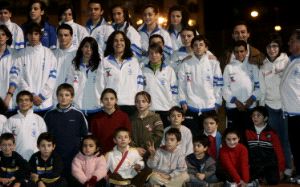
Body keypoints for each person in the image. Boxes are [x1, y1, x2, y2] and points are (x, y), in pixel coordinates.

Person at [259, 33, 292, 177]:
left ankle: (289, 167)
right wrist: (262, 108)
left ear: (279, 47)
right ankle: (278, 167)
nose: (272, 49)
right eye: (269, 46)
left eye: (275, 46)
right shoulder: (263, 66)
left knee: (286, 139)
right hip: (270, 107)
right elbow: (262, 89)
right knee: (274, 139)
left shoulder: (288, 61)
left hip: (286, 107)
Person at [8, 22, 58, 116]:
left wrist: (42, 96)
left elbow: (53, 77)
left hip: (45, 103)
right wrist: (31, 95)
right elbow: (17, 77)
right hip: (26, 103)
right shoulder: (21, 54)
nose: (33, 37)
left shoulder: (48, 53)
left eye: (36, 34)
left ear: (40, 35)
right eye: (30, 34)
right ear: (26, 36)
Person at [178, 35, 223, 137]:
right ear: (192, 47)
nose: (198, 47)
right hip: (191, 105)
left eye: (201, 45)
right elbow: (181, 84)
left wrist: (217, 103)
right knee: (192, 136)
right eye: (195, 45)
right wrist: (183, 101)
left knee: (210, 137)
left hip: (209, 105)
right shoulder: (186, 63)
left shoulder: (213, 62)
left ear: (206, 48)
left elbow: (219, 84)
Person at [44, 83, 88, 181]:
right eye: (61, 95)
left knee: (73, 181)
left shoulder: (78, 115)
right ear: (57, 96)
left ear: (72, 97)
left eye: (67, 95)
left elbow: (85, 136)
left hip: (74, 155)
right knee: (57, 181)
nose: (63, 98)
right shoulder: (49, 115)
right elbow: (45, 137)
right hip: (55, 155)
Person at [103, 31, 143, 116]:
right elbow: (101, 85)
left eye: (121, 40)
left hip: (130, 104)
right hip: (112, 106)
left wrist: (138, 102)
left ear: (126, 43)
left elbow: (139, 84)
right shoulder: (105, 62)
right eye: (116, 40)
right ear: (111, 43)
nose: (119, 43)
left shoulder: (133, 61)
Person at [223, 40, 260, 134]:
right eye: (236, 52)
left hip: (250, 106)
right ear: (233, 52)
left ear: (246, 51)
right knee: (234, 135)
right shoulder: (229, 67)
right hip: (233, 107)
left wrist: (252, 99)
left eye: (242, 51)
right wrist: (235, 101)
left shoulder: (253, 66)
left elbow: (259, 86)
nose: (239, 54)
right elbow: (224, 87)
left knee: (250, 135)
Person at [2, 91, 47, 160]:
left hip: (35, 160)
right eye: (21, 100)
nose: (24, 102)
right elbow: (4, 142)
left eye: (26, 100)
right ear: (17, 103)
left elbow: (44, 141)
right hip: (16, 160)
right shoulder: (11, 120)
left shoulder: (39, 119)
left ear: (31, 103)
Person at [245, 106, 285, 185]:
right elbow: (244, 150)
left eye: (258, 115)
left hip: (269, 164)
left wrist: (281, 170)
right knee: (247, 179)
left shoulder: (272, 133)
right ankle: (259, 177)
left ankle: (263, 177)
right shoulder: (247, 131)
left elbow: (279, 152)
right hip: (254, 164)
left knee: (273, 181)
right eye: (253, 115)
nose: (255, 118)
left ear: (265, 118)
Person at [280, 29, 300, 184]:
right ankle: (299, 172)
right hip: (291, 112)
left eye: (292, 40)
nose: (289, 43)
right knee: (295, 144)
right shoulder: (292, 60)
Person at [66, 37, 103, 119]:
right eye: (86, 46)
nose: (88, 49)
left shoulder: (101, 66)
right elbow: (69, 87)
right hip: (78, 109)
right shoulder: (74, 66)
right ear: (81, 48)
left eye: (91, 47)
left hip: (97, 108)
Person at [142, 43, 178, 127]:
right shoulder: (143, 70)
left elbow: (175, 91)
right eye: (151, 53)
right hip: (149, 110)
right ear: (148, 55)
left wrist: (173, 108)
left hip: (165, 109)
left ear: (161, 55)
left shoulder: (169, 70)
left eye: (156, 53)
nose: (154, 55)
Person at [90, 88, 131, 153]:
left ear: (116, 100)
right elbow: (94, 138)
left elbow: (128, 135)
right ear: (101, 101)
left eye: (112, 99)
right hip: (101, 154)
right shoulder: (96, 118)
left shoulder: (123, 116)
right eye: (106, 99)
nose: (109, 101)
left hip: (120, 153)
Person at [130, 91, 164, 157]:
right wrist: (135, 148)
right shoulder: (131, 119)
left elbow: (159, 134)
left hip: (151, 152)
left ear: (149, 103)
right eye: (137, 101)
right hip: (135, 152)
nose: (140, 104)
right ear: (135, 103)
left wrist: (147, 147)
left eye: (144, 101)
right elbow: (128, 136)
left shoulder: (155, 117)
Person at [52, 24, 77, 104]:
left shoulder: (77, 54)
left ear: (71, 36)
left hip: (73, 99)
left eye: (66, 35)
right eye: (60, 35)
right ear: (57, 37)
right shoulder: (52, 54)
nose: (63, 38)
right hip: (54, 99)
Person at [0, 24, 17, 112]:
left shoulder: (14, 55)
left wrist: (8, 97)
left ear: (7, 37)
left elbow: (14, 78)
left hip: (9, 101)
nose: (0, 37)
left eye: (3, 34)